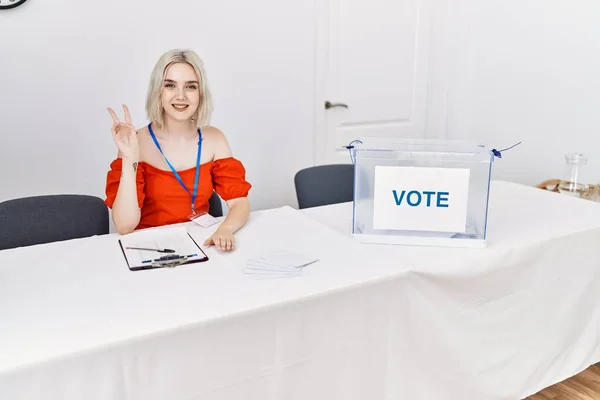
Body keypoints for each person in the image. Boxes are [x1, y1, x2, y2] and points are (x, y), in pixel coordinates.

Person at [104, 49, 252, 251]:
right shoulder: (135, 141)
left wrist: (225, 229)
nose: (180, 96)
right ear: (159, 91)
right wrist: (130, 156)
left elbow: (239, 204)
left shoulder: (215, 139)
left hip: (200, 245)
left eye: (190, 87)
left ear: (200, 93)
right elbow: (124, 225)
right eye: (170, 86)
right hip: (148, 248)